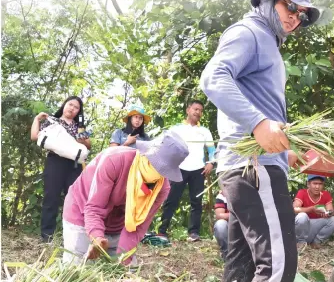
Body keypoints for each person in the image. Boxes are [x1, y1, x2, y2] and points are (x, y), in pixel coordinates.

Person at [199, 0, 320, 282]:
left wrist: (284, 150)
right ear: (268, 0)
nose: (295, 17)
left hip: (251, 166)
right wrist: (259, 125)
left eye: (302, 14)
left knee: (242, 270)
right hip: (254, 167)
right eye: (290, 6)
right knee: (277, 266)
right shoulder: (249, 32)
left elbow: (262, 107)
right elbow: (213, 78)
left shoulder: (268, 43)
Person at [61, 131, 188, 265]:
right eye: (154, 163)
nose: (157, 170)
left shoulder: (161, 188)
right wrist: (97, 237)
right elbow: (94, 207)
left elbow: (138, 226)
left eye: (163, 169)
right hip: (81, 212)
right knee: (78, 270)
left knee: (126, 270)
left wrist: (123, 258)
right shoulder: (115, 160)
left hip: (118, 224)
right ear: (146, 153)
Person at [30, 95, 91, 243]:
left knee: (74, 200)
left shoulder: (78, 126)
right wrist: (37, 119)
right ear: (64, 105)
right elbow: (34, 137)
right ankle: (47, 236)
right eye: (70, 104)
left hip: (74, 165)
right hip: (55, 162)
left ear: (78, 112)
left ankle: (72, 237)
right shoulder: (52, 122)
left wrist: (81, 134)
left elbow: (88, 145)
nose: (72, 108)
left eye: (76, 107)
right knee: (51, 198)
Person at [155, 99, 216, 242]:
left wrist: (210, 163)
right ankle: (162, 231)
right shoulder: (176, 128)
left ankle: (193, 233)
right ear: (188, 110)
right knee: (171, 200)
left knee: (196, 202)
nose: (198, 112)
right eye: (195, 109)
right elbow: (164, 145)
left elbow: (212, 150)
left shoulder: (204, 131)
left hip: (198, 170)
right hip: (178, 168)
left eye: (200, 110)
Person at [294, 174, 334, 248]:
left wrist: (328, 213)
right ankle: (301, 242)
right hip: (303, 227)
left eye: (320, 184)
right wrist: (311, 209)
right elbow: (294, 209)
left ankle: (316, 242)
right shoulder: (302, 192)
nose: (317, 187)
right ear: (308, 184)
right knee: (302, 216)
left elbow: (331, 210)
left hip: (315, 226)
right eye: (315, 183)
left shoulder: (326, 194)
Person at [213, 191, 229, 259]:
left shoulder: (249, 192)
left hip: (246, 228)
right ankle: (227, 255)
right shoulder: (222, 196)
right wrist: (236, 215)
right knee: (220, 225)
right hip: (230, 226)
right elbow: (219, 215)